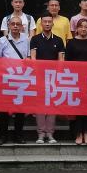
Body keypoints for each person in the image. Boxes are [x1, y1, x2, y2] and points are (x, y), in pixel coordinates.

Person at [0, 16, 31, 144]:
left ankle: (18, 135)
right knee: (4, 110)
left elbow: (28, 58)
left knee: (20, 110)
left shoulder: (26, 39)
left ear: (22, 27)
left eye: (18, 24)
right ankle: (2, 136)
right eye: (13, 24)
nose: (15, 26)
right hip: (6, 79)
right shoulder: (2, 40)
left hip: (21, 79)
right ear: (9, 26)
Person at [65, 17, 87, 145]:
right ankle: (78, 133)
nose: (83, 29)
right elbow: (67, 62)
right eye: (81, 26)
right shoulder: (71, 43)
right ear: (77, 28)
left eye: (86, 27)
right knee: (76, 107)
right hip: (75, 81)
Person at [30, 14, 65, 143]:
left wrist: (58, 75)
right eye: (45, 21)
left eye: (49, 22)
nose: (47, 24)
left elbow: (61, 59)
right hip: (39, 77)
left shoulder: (59, 40)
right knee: (40, 106)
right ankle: (40, 133)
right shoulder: (35, 39)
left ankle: (50, 133)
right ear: (41, 24)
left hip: (53, 77)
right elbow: (33, 58)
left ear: (52, 23)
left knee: (51, 106)